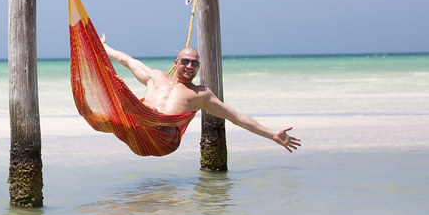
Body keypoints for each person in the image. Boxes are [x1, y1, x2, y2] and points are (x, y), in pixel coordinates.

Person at [99, 35, 301, 153]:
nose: (189, 66)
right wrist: (104, 47)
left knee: (132, 101)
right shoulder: (156, 77)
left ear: (198, 67)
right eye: (185, 61)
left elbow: (236, 117)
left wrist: (272, 134)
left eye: (194, 63)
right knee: (115, 98)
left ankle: (135, 108)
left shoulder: (201, 94)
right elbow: (127, 61)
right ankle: (129, 108)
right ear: (176, 63)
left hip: (164, 140)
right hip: (139, 130)